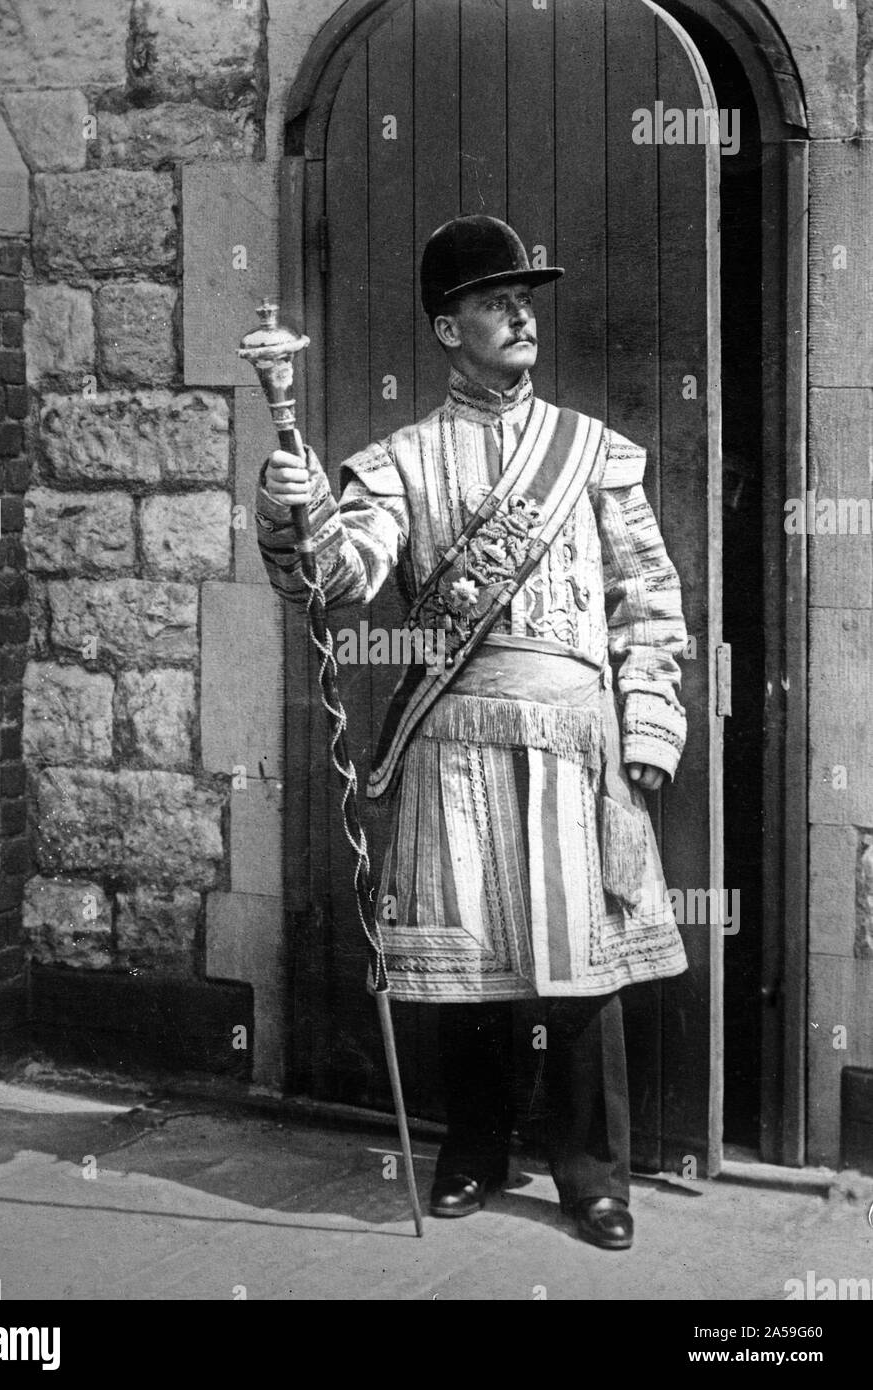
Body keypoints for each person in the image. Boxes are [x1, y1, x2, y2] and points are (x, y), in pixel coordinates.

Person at [256, 215, 689, 1251]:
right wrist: (296, 505)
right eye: (495, 301)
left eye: (524, 298)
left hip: (580, 733)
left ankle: (592, 1174)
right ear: (447, 328)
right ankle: (472, 1151)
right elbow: (342, 580)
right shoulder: (402, 459)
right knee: (472, 961)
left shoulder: (592, 452)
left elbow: (648, 597)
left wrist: (650, 726)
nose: (519, 314)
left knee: (585, 961)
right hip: (456, 736)